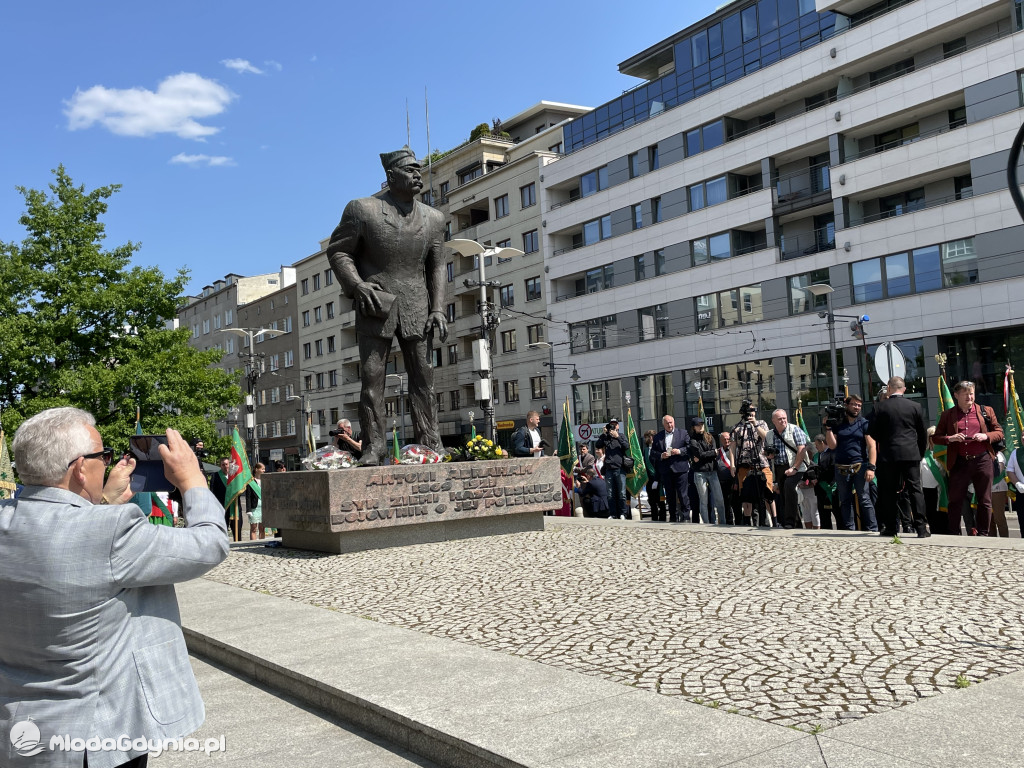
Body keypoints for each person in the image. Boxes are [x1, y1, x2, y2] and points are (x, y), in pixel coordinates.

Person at [1, 407, 228, 768]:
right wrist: (191, 479)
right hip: (98, 736)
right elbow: (210, 545)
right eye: (103, 455)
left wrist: (102, 501)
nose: (108, 462)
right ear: (79, 467)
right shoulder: (110, 531)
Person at [326, 146, 448, 465]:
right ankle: (374, 446)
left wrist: (438, 308)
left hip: (417, 305)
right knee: (372, 379)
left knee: (424, 377)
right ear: (391, 176)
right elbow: (339, 252)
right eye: (409, 169)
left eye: (419, 169)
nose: (417, 174)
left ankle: (430, 442)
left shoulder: (434, 219)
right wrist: (356, 285)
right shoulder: (362, 209)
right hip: (375, 301)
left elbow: (436, 266)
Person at [933, 380, 1003, 536]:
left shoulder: (986, 411)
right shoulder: (948, 414)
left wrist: (985, 436)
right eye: (965, 394)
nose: (969, 397)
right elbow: (935, 438)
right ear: (956, 395)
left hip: (982, 460)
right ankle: (954, 533)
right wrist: (950, 439)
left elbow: (999, 432)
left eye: (971, 393)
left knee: (984, 500)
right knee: (955, 500)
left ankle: (983, 534)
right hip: (959, 461)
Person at [868, 376, 930, 537]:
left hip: (889, 455)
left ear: (889, 388)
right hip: (911, 454)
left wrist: (885, 439)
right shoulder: (915, 406)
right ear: (904, 389)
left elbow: (873, 433)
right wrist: (920, 453)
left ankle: (890, 527)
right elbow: (922, 433)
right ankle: (921, 528)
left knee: (888, 491)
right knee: (915, 490)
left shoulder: (880, 407)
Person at [824, 394, 878, 532]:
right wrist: (828, 429)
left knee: (864, 499)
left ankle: (872, 528)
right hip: (841, 466)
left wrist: (871, 467)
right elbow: (832, 446)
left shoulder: (864, 423)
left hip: (860, 465)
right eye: (854, 404)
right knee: (845, 500)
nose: (856, 407)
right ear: (847, 405)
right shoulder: (838, 423)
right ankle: (849, 529)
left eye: (859, 405)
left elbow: (872, 446)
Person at [729, 404, 775, 527]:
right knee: (746, 495)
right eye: (749, 411)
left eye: (754, 411)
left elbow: (766, 437)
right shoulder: (737, 428)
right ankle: (747, 521)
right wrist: (732, 464)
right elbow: (732, 447)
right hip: (744, 465)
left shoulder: (761, 423)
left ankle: (774, 521)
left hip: (761, 463)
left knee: (767, 492)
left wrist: (755, 424)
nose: (752, 413)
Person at [770, 409, 812, 529]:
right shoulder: (770, 434)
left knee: (789, 487)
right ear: (773, 421)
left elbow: (801, 450)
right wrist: (769, 454)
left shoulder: (794, 430)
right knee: (783, 494)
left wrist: (795, 467)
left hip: (797, 466)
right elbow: (768, 452)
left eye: (784, 418)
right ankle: (795, 523)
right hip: (779, 467)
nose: (783, 420)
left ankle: (790, 521)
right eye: (780, 419)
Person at [651, 415, 691, 523]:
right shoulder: (658, 436)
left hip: (680, 469)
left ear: (674, 422)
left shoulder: (683, 433)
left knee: (683, 495)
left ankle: (686, 517)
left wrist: (680, 451)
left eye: (671, 422)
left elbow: (690, 448)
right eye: (667, 423)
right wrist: (661, 455)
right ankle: (673, 517)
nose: (670, 425)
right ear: (663, 424)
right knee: (670, 496)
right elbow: (652, 453)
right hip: (666, 471)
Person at [688, 417, 724, 524]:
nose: (701, 426)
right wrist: (711, 453)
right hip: (700, 472)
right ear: (694, 427)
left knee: (719, 499)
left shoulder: (709, 436)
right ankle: (706, 523)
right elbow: (700, 454)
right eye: (698, 425)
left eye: (702, 424)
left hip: (712, 470)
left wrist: (706, 454)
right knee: (703, 500)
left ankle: (723, 522)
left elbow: (711, 452)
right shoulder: (692, 440)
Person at [595, 418, 629, 520]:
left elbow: (626, 446)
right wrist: (604, 434)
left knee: (621, 493)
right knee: (610, 494)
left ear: (618, 426)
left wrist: (617, 436)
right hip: (609, 469)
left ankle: (623, 513)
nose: (613, 427)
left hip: (619, 468)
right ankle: (613, 514)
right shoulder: (606, 438)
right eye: (611, 425)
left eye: (615, 425)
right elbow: (598, 445)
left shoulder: (621, 436)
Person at [920, 427, 947, 535]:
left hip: (940, 490)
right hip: (926, 490)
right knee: (931, 516)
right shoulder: (922, 454)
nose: (935, 439)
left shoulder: (944, 454)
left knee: (942, 517)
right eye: (932, 436)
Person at [811, 434, 840, 529]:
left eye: (817, 445)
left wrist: (818, 478)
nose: (815, 447)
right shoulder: (816, 456)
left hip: (831, 487)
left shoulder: (832, 453)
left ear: (822, 443)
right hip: (820, 490)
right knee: (823, 515)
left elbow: (831, 470)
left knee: (837, 513)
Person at [208, 457, 236, 540]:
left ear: (229, 465)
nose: (225, 466)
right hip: (222, 507)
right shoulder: (215, 476)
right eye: (223, 465)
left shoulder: (234, 476)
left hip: (234, 507)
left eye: (226, 464)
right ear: (220, 466)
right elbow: (212, 492)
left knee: (236, 529)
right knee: (222, 529)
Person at [643, 430, 667, 522]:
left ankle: (662, 520)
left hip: (658, 480)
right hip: (649, 480)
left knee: (661, 503)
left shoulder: (658, 449)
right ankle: (654, 519)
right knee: (652, 502)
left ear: (651, 437)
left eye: (647, 437)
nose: (645, 439)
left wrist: (657, 479)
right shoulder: (645, 450)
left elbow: (660, 465)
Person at [716, 432, 739, 525]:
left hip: (733, 481)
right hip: (722, 483)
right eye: (724, 439)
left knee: (736, 504)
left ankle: (738, 522)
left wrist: (736, 482)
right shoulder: (718, 452)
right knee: (726, 504)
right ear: (721, 441)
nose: (726, 441)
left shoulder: (735, 450)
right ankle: (728, 522)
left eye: (728, 439)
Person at [247, 462, 266, 540]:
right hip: (254, 508)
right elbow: (248, 497)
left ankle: (262, 543)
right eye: (262, 469)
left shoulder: (265, 480)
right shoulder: (250, 482)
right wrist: (248, 510)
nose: (264, 471)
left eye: (264, 469)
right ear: (256, 469)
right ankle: (253, 544)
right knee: (253, 528)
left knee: (262, 528)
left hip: (263, 508)